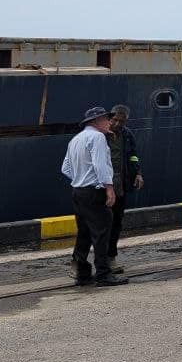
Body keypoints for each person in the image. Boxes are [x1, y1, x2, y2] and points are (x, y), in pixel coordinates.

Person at [61, 106, 128, 286]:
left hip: (78, 192)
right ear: (97, 121)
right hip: (94, 192)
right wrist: (109, 188)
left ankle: (82, 273)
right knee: (102, 232)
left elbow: (65, 168)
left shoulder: (76, 139)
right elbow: (100, 165)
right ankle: (103, 274)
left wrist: (80, 178)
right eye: (107, 119)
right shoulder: (98, 137)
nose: (110, 122)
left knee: (84, 232)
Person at [106, 104, 144, 271]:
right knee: (101, 225)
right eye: (115, 120)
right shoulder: (101, 136)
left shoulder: (127, 135)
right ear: (110, 117)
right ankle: (87, 262)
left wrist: (138, 173)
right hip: (102, 186)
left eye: (122, 122)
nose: (117, 124)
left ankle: (111, 257)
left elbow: (133, 155)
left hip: (120, 185)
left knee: (116, 223)